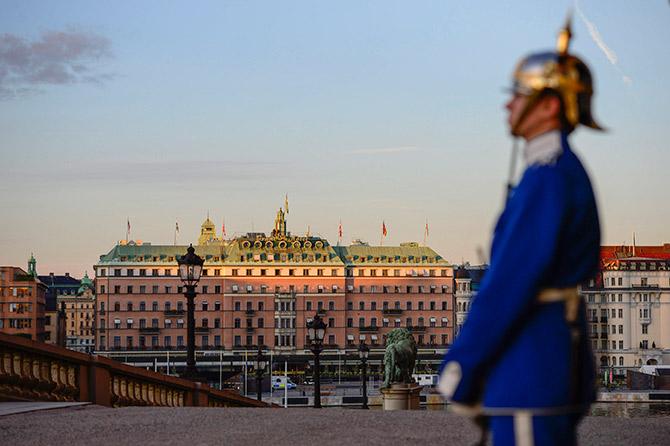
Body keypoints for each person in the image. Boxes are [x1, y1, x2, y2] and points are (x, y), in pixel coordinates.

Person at [439, 18, 603, 446]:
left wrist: (464, 363)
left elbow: (511, 281)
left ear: (548, 105)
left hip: (529, 367)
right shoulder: (556, 171)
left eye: (517, 95)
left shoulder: (547, 177)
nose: (507, 106)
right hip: (544, 361)